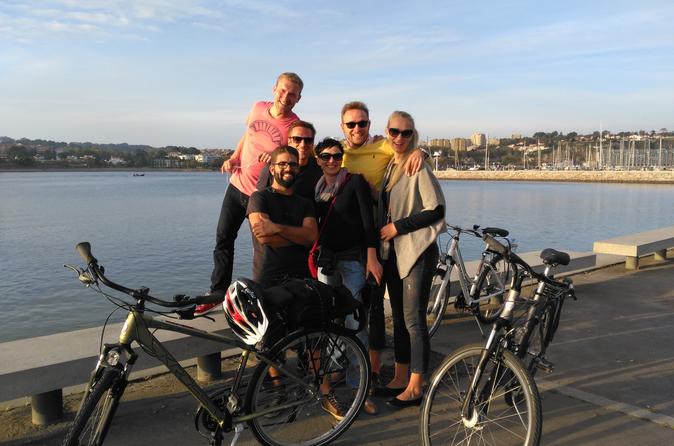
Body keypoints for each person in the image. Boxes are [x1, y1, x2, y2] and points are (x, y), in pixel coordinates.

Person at [197, 73, 303, 315]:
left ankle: (263, 297)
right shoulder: (257, 108)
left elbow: (293, 158)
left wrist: (276, 159)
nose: (286, 97)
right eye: (283, 91)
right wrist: (234, 157)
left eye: (293, 94)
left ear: (299, 98)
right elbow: (248, 135)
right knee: (223, 239)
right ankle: (217, 292)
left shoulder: (294, 125)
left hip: (263, 194)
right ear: (275, 88)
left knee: (264, 249)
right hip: (237, 186)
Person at [338, 101, 427, 386]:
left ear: (370, 125)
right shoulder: (335, 154)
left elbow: (409, 147)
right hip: (349, 242)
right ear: (342, 127)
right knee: (358, 308)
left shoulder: (386, 145)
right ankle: (359, 366)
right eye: (351, 124)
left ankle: (379, 371)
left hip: (381, 239)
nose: (357, 129)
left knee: (382, 308)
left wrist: (422, 153)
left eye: (362, 123)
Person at [376, 111, 445, 408]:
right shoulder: (392, 163)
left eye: (406, 133)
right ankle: (401, 376)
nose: (400, 138)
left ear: (413, 134)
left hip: (416, 251)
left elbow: (436, 210)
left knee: (414, 320)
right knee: (402, 321)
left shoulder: (418, 167)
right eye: (395, 131)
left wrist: (397, 227)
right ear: (387, 132)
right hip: (394, 253)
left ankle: (417, 384)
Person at [313, 137, 383, 417]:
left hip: (354, 259)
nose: (332, 160)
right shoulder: (316, 188)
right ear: (318, 160)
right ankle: (327, 383)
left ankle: (359, 387)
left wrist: (372, 257)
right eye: (326, 156)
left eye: (336, 156)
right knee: (326, 321)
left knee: (356, 323)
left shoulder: (354, 182)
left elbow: (369, 222)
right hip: (326, 262)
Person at [253, 120, 322, 281]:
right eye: (297, 139)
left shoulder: (319, 170)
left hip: (305, 261)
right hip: (268, 266)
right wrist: (301, 239)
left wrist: (276, 228)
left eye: (308, 140)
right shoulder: (267, 179)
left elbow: (311, 236)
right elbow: (263, 234)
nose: (303, 144)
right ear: (289, 140)